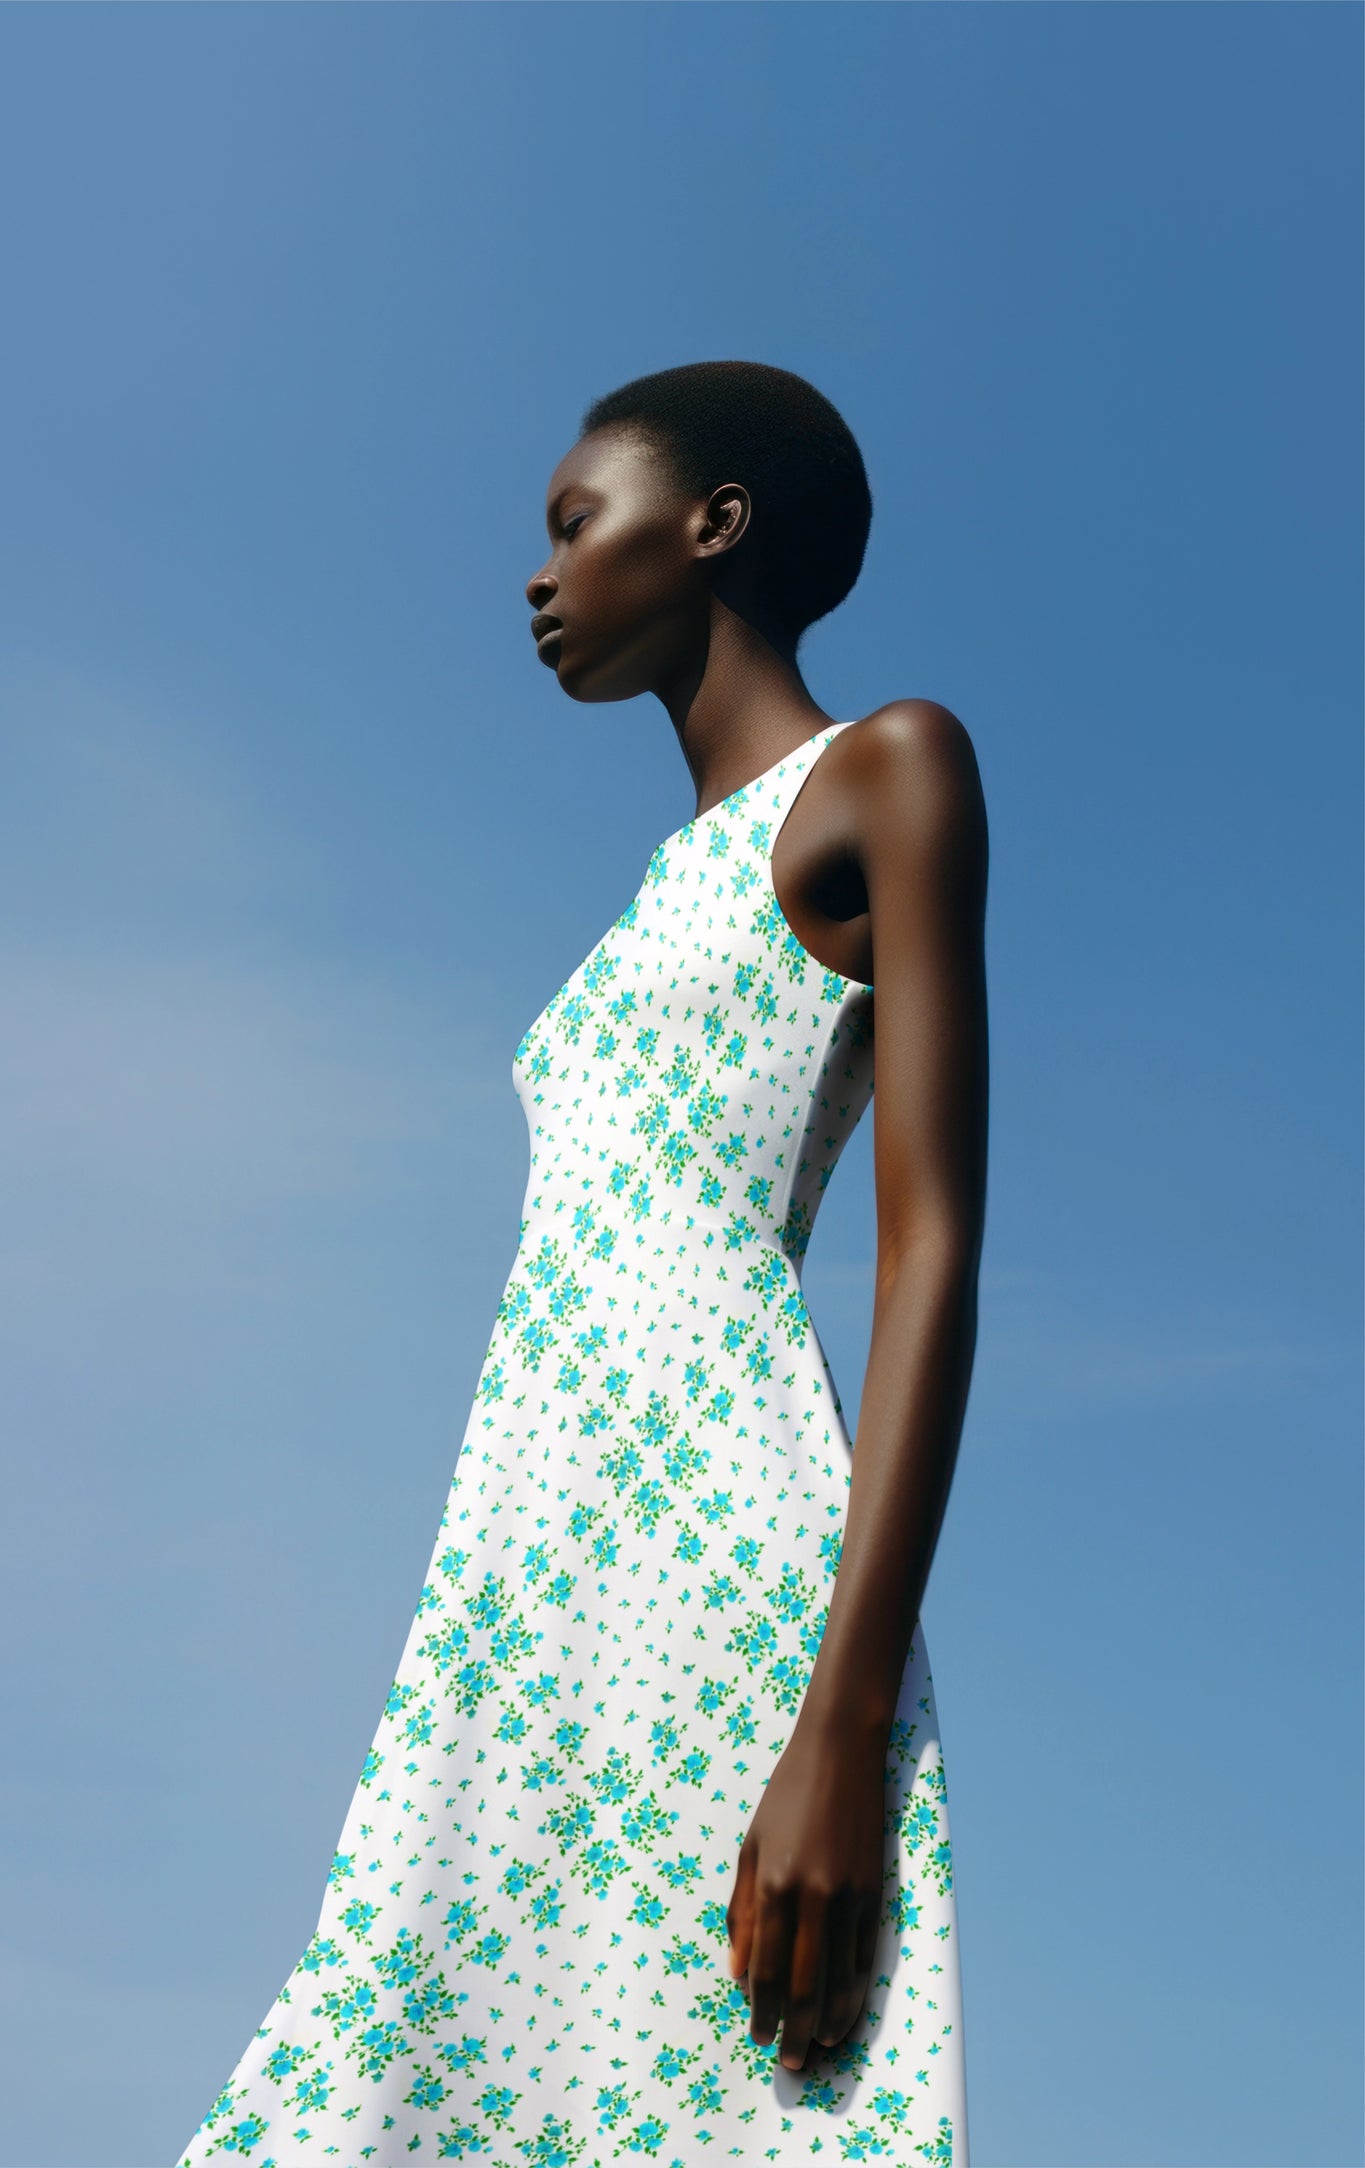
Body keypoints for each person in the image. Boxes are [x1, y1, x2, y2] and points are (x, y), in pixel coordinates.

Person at [178, 359, 988, 2168]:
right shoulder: (652, 894)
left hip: (719, 1548)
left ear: (709, 527)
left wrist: (840, 1728)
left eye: (573, 522)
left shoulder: (886, 766)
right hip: (526, 1553)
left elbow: (929, 1242)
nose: (539, 576)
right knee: (402, 2051)